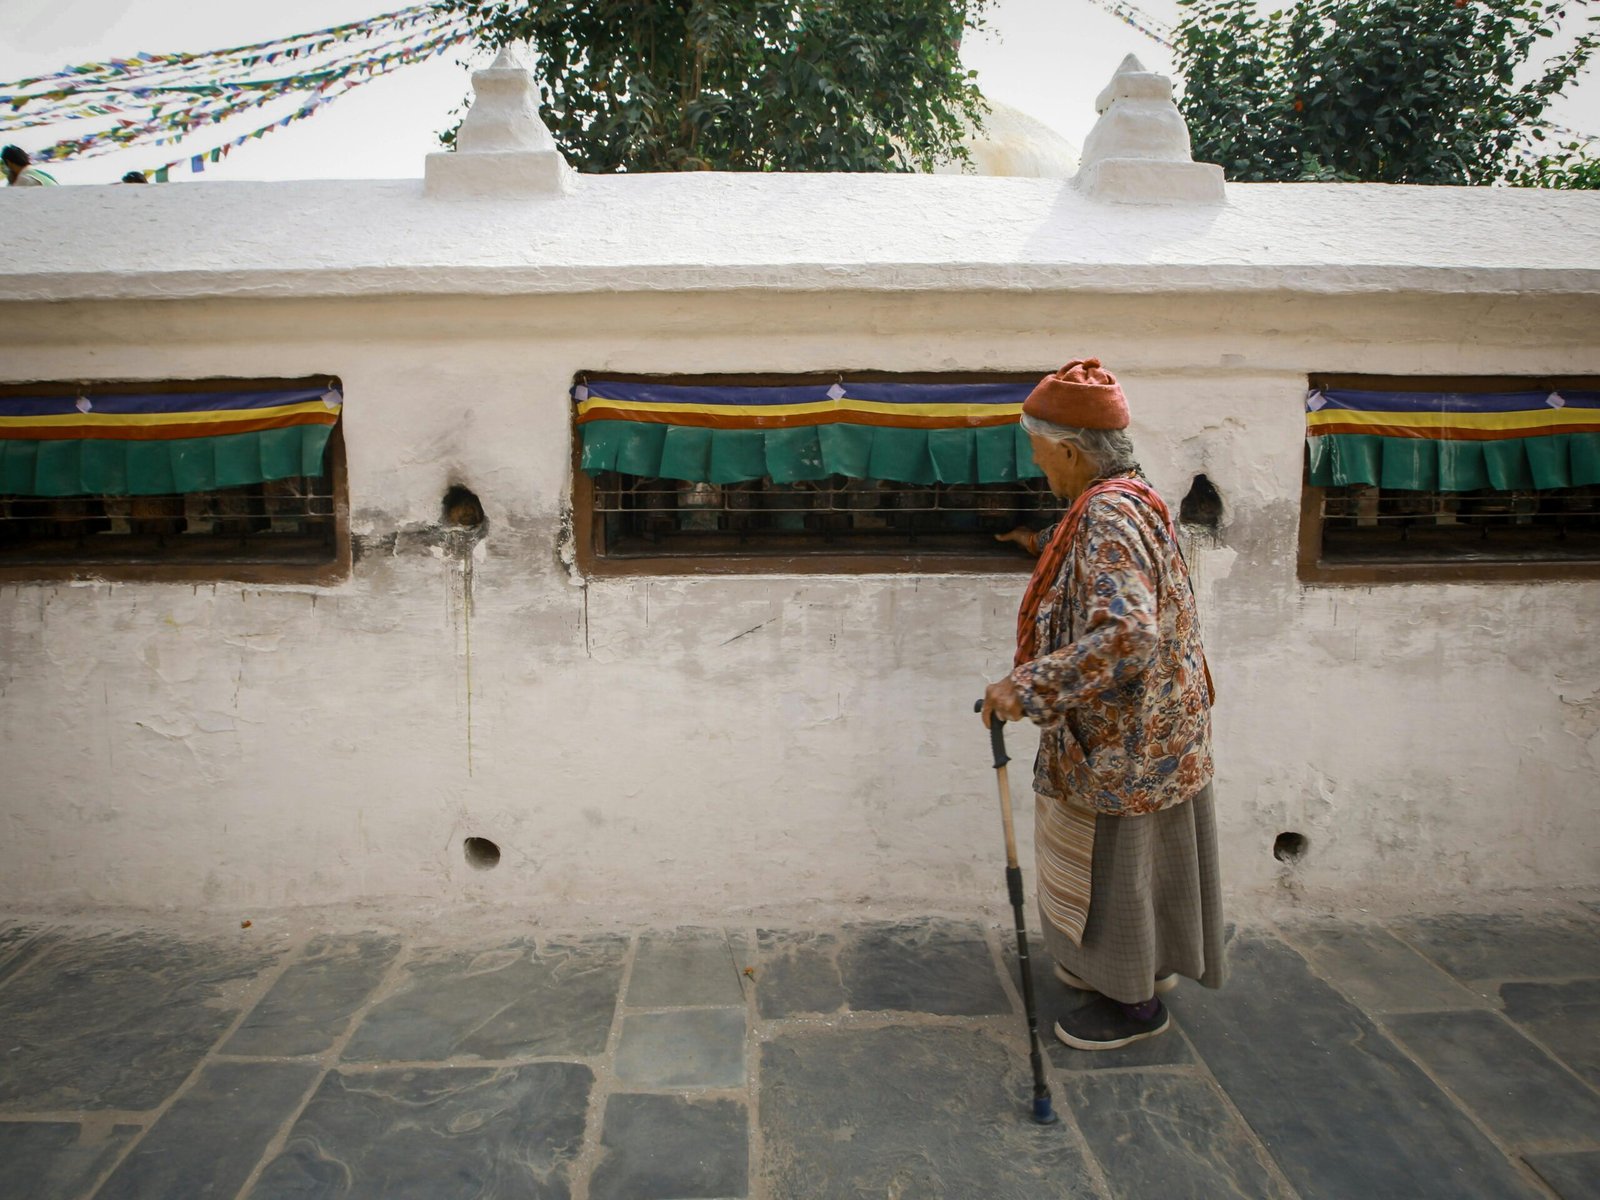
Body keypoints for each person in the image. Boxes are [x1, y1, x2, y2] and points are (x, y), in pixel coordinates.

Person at [981, 357, 1223, 1050]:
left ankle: (1134, 1006)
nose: (1039, 467)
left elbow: (1127, 632)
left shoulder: (1108, 516)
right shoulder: (1130, 498)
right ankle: (1135, 972)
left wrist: (1024, 689)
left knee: (1115, 872)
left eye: (1039, 453)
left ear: (1068, 448)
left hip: (1124, 742)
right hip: (1155, 729)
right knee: (1135, 868)